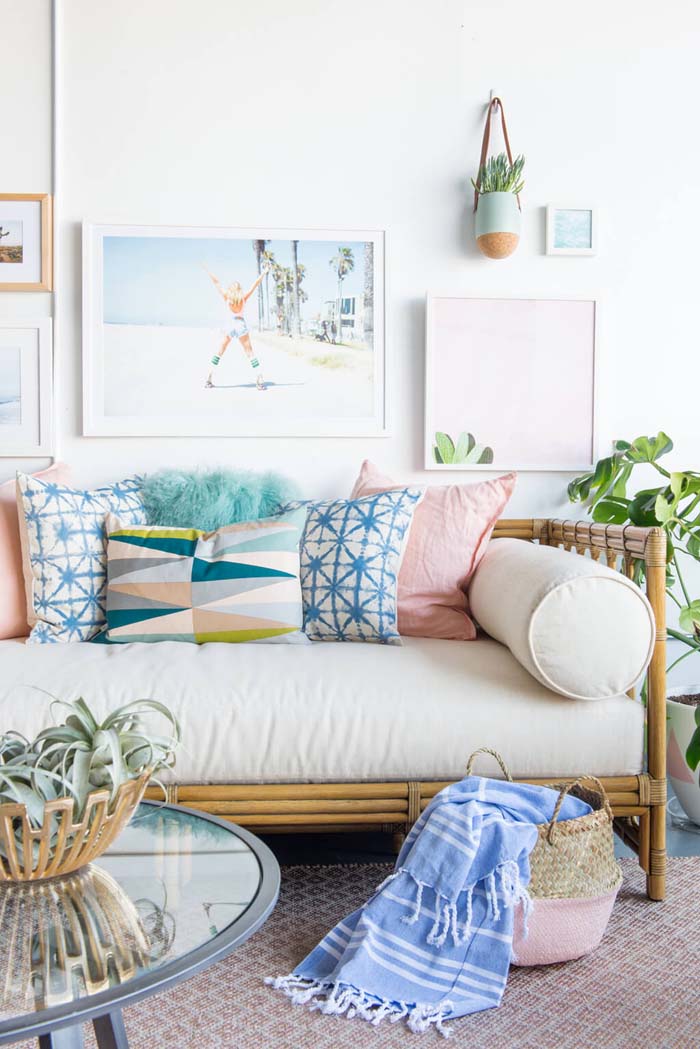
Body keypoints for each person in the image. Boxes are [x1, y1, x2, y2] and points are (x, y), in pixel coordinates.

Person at [204, 265, 269, 391]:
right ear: (239, 290)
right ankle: (260, 379)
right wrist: (264, 272)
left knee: (219, 352)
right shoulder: (243, 298)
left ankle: (208, 378)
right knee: (250, 353)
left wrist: (207, 270)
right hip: (240, 324)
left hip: (229, 325)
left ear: (230, 289)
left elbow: (216, 282)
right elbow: (255, 284)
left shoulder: (227, 298)